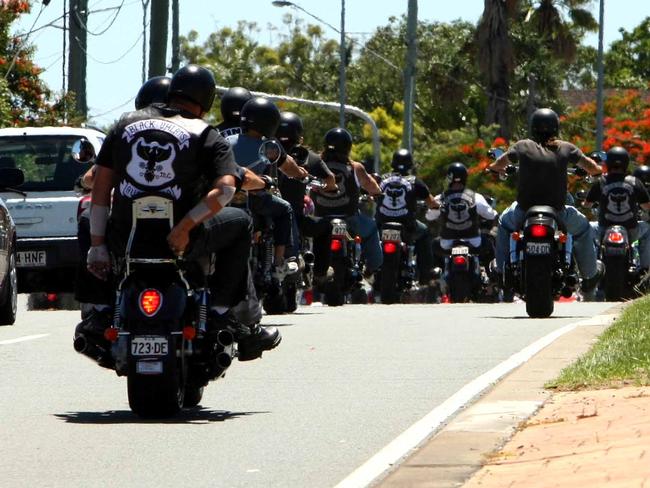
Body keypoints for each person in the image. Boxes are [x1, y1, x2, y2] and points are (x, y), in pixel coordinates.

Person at [77, 64, 280, 362]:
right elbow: (225, 190)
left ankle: (98, 311)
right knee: (242, 223)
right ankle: (222, 312)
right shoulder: (205, 134)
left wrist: (98, 246)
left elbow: (99, 189)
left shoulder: (123, 126)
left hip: (126, 237)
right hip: (183, 239)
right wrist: (184, 227)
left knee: (85, 218)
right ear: (207, 101)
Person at [488, 107, 604, 293]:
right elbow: (590, 166)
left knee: (503, 223)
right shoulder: (566, 147)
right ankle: (589, 275)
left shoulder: (522, 145)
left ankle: (501, 271)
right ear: (556, 128)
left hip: (524, 211)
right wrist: (597, 171)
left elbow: (501, 162)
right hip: (557, 212)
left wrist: (494, 168)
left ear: (533, 127)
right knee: (583, 228)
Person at [225, 97, 309, 280]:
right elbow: (289, 168)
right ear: (271, 122)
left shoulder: (227, 140)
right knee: (285, 209)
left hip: (225, 199)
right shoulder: (268, 146)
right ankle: (281, 261)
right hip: (255, 198)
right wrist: (302, 175)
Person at [309, 127, 383, 280]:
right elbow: (372, 187)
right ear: (348, 147)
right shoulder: (356, 167)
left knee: (304, 237)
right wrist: (376, 193)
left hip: (320, 219)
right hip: (349, 218)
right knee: (371, 228)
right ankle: (372, 268)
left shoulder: (314, 163)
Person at [275, 111, 337, 256]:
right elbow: (330, 179)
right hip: (293, 216)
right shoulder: (308, 156)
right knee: (326, 226)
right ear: (299, 136)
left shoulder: (267, 150)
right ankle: (320, 274)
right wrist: (330, 188)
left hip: (264, 212)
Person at [376, 148, 438, 284]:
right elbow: (432, 202)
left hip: (382, 224)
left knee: (369, 235)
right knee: (425, 233)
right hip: (407, 225)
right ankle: (425, 274)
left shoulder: (382, 179)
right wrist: (436, 206)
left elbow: (372, 193)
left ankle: (367, 267)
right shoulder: (415, 181)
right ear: (410, 164)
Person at [582, 146, 650, 270]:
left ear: (608, 163)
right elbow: (646, 207)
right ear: (626, 163)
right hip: (631, 230)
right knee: (648, 229)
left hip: (603, 229)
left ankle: (590, 267)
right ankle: (646, 269)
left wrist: (585, 203)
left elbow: (587, 205)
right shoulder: (634, 181)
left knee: (584, 230)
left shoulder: (601, 181)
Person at [426, 162, 497, 264]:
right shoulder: (475, 197)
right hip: (474, 241)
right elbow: (490, 215)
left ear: (449, 178)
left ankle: (435, 274)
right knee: (490, 242)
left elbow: (429, 216)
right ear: (465, 177)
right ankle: (492, 273)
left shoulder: (440, 198)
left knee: (433, 246)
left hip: (447, 243)